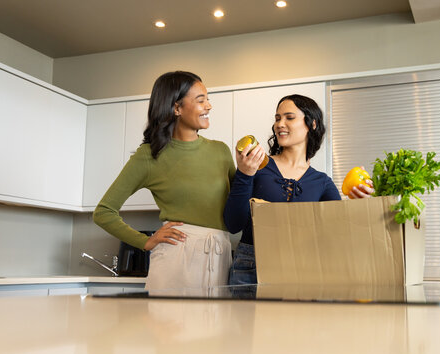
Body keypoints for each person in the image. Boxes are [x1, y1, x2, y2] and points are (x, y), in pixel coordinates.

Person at [93, 71, 235, 291]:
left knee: (215, 325)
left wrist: (249, 173)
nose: (208, 106)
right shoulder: (149, 155)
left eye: (208, 99)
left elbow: (238, 208)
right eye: (201, 100)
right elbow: (103, 212)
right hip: (176, 259)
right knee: (167, 325)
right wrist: (145, 241)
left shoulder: (221, 151)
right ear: (176, 108)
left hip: (220, 256)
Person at [224, 94, 374, 285]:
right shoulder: (256, 166)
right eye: (277, 118)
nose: (279, 124)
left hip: (303, 270)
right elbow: (233, 224)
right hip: (251, 268)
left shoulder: (322, 182)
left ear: (311, 124)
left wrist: (359, 203)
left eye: (289, 117)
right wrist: (245, 174)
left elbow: (339, 235)